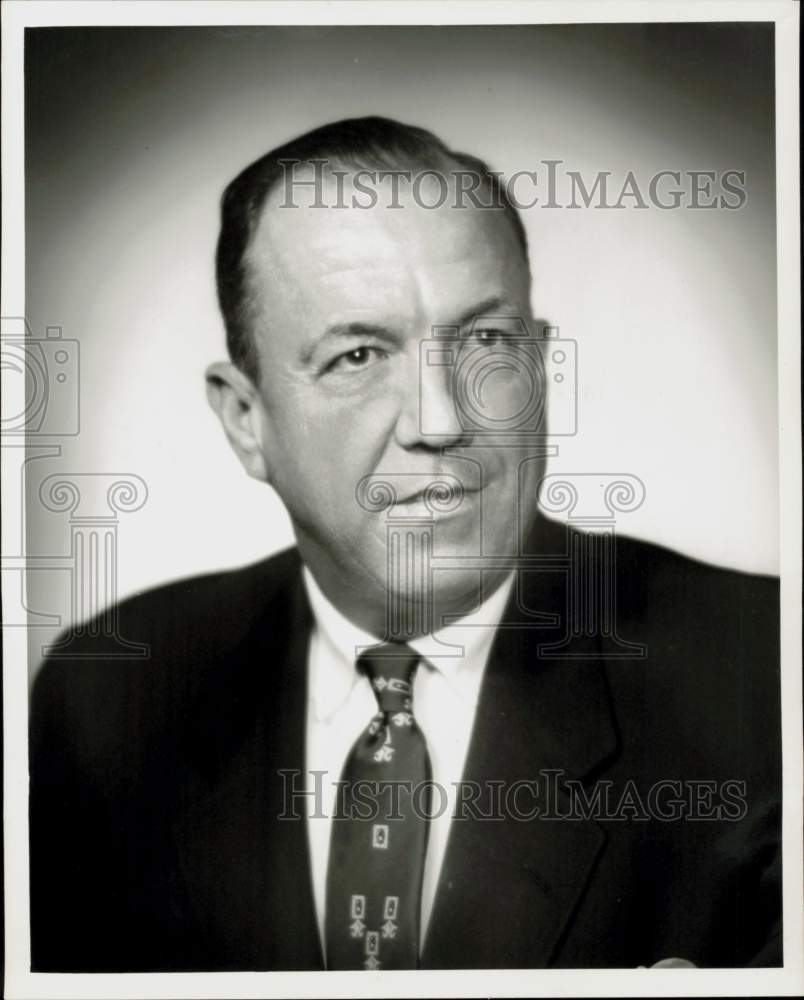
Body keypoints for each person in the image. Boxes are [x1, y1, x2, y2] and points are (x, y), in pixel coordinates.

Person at [29, 117, 781, 972]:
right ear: (246, 420)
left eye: (486, 342)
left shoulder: (763, 679)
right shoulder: (105, 700)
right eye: (357, 355)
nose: (442, 421)